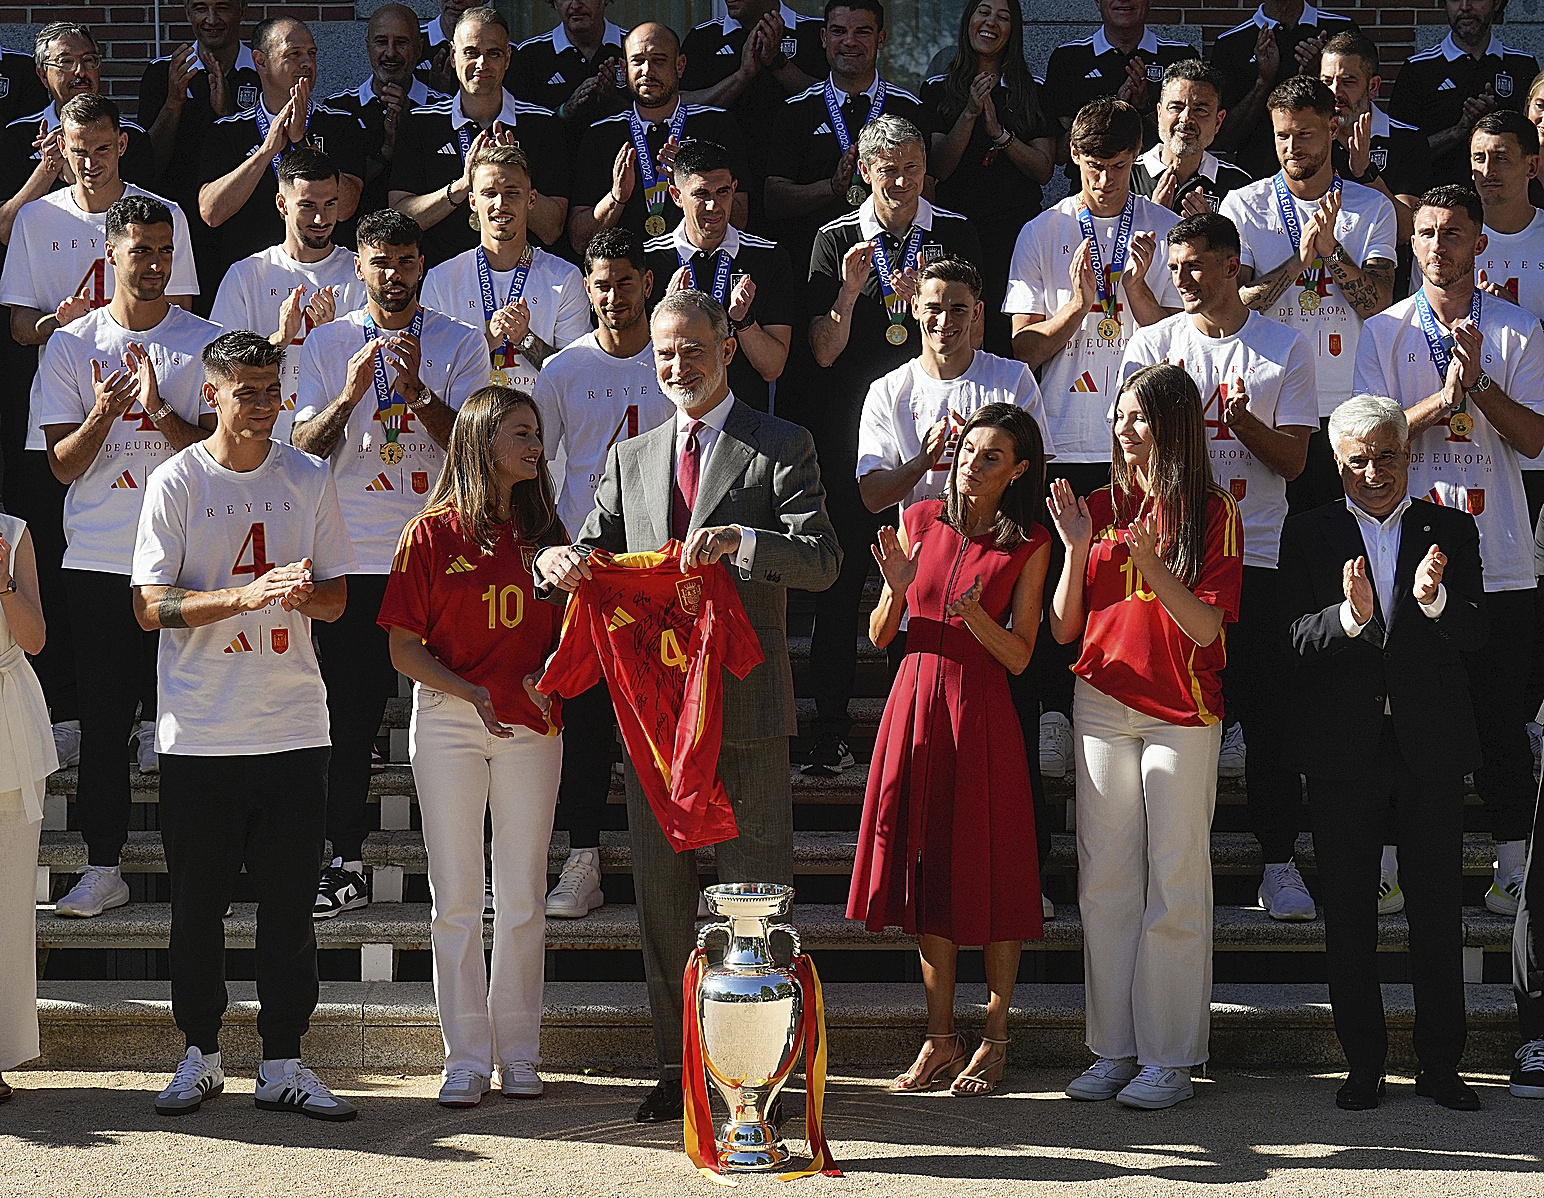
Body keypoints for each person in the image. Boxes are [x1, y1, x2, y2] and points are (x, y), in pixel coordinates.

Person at [534, 289, 840, 1123]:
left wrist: (743, 543)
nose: (677, 366)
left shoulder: (781, 444)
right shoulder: (631, 456)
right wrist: (555, 564)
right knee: (665, 904)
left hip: (740, 710)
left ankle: (762, 1073)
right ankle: (679, 1068)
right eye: (664, 354)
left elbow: (823, 562)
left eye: (692, 350)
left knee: (758, 899)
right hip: (656, 719)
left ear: (727, 347)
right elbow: (591, 548)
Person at [133, 329, 358, 1121]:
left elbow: (337, 597)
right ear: (213, 394)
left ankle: (285, 1060)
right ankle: (199, 1053)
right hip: (201, 730)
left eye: (274, 390)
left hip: (294, 724)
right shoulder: (175, 480)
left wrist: (299, 597)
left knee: (291, 907)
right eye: (248, 392)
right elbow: (148, 606)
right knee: (197, 905)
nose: (264, 407)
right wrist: (245, 596)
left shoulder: (309, 473)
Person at [1278, 393, 1486, 1112]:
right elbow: (1294, 639)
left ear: (1410, 455)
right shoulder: (1307, 533)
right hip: (1344, 752)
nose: (1374, 471)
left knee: (1435, 914)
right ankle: (1363, 1064)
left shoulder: (1451, 530)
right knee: (1350, 918)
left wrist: (1432, 603)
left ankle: (1441, 1066)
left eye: (1387, 456)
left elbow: (1475, 634)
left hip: (1429, 750)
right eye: (1358, 459)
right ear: (1338, 462)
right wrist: (1348, 618)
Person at [1049, 362, 1242, 1111]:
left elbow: (1202, 626)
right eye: (1120, 417)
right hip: (1099, 701)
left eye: (1139, 417)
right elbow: (1065, 628)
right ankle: (1114, 1049)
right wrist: (1074, 547)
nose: (1126, 431)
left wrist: (1153, 564)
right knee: (1104, 881)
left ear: (1175, 424)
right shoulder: (1095, 505)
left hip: (1182, 708)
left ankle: (1168, 1058)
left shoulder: (1212, 510)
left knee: (1176, 878)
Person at [1354, 184, 1544, 921]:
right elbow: (1369, 439)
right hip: (1409, 547)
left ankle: (1513, 869)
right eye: (1427, 234)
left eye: (1454, 233)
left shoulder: (1519, 329)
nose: (1439, 246)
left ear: (1478, 243)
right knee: (1401, 718)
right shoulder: (1385, 331)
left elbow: (1532, 440)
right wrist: (1445, 397)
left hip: (1498, 553)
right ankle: (1391, 867)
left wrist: (1481, 382)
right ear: (1413, 245)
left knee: (1500, 718)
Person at [1119, 212, 1318, 915]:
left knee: (1268, 716)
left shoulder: (1283, 346)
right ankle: (1166, 863)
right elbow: (1129, 452)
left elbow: (1295, 462)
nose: (1182, 280)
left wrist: (1242, 425)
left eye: (1197, 265)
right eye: (1174, 269)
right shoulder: (1152, 344)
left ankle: (1277, 862)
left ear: (1234, 265)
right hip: (1171, 559)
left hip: (1256, 555)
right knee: (1170, 714)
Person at [849, 402, 1049, 1097]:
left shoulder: (1029, 544)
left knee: (992, 871)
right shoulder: (919, 521)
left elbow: (1022, 656)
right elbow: (880, 635)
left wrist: (974, 619)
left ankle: (994, 1036)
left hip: (982, 711)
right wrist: (897, 594)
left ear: (1017, 470)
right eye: (968, 449)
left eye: (991, 456)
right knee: (924, 867)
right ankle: (939, 1037)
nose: (972, 462)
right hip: (914, 705)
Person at [293, 209, 489, 920]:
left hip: (440, 553)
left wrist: (420, 397)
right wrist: (349, 397)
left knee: (460, 713)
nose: (392, 276)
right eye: (379, 262)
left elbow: (478, 448)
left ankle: (473, 866)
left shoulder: (460, 343)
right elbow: (304, 447)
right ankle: (342, 860)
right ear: (359, 267)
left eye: (404, 262)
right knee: (348, 719)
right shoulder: (327, 343)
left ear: (422, 267)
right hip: (356, 553)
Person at [0, 93, 199, 776]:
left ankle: (148, 717)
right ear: (59, 145)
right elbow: (19, 323)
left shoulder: (156, 212)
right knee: (67, 563)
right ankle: (75, 713)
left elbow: (180, 310)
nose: (90, 159)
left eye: (102, 146)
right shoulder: (35, 215)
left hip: (145, 401)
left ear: (121, 145)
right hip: (62, 397)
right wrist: (63, 329)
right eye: (77, 148)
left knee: (153, 559)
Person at [378, 385, 566, 1106]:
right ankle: (465, 1056)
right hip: (452, 720)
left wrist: (553, 675)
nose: (534, 445)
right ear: (484, 439)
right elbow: (402, 649)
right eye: (520, 431)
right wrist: (471, 692)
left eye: (537, 432)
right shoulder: (428, 533)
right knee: (455, 897)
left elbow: (577, 626)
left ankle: (519, 1052)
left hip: (533, 724)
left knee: (521, 894)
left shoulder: (549, 529)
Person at [36, 194, 220, 918]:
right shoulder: (72, 344)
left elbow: (221, 455)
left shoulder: (205, 339)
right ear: (110, 253)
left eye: (164, 250)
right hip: (100, 559)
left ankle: (197, 870)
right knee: (108, 724)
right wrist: (106, 412)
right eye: (139, 250)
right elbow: (59, 465)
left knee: (187, 724)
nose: (153, 264)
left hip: (184, 560)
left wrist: (161, 410)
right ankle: (103, 864)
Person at [1003, 97, 1180, 781]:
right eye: (1090, 165)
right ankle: (1054, 708)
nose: (1103, 179)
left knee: (1136, 569)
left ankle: (1138, 694)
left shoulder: (1163, 229)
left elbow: (1182, 339)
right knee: (1060, 572)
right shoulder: (1043, 230)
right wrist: (1077, 304)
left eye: (1115, 165)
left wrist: (1136, 293)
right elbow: (1020, 345)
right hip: (1067, 433)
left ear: (1136, 158)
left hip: (1144, 436)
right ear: (1072, 158)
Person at [804, 114, 979, 775]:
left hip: (936, 429)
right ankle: (830, 728)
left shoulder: (953, 234)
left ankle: (926, 724)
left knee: (941, 579)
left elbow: (978, 336)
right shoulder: (835, 239)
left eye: (911, 167)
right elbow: (822, 352)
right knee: (843, 583)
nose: (901, 180)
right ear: (863, 171)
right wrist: (851, 291)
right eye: (887, 169)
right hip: (857, 435)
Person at [531, 227, 672, 917]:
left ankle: (677, 865)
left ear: (648, 281)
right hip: (590, 575)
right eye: (599, 285)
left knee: (669, 720)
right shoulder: (562, 371)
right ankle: (582, 858)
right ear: (585, 290)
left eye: (624, 281)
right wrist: (548, 554)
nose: (612, 296)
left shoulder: (675, 357)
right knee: (584, 723)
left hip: (666, 574)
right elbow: (538, 473)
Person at [1220, 76, 1396, 514]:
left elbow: (1379, 305)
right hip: (1271, 398)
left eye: (1305, 134)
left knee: (1341, 534)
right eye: (1282, 135)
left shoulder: (1372, 207)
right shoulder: (1243, 205)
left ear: (1333, 129)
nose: (1292, 146)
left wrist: (1331, 251)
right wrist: (1299, 261)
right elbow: (1233, 301)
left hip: (1348, 400)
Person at [920, 0, 1056, 355]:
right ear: (968, 20)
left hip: (1016, 235)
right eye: (983, 11)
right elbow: (937, 167)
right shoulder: (938, 87)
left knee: (1004, 335)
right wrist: (969, 113)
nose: (990, 22)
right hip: (957, 230)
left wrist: (1000, 134)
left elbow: (1044, 169)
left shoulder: (1035, 89)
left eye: (1003, 16)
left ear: (1014, 29)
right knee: (956, 332)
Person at [389, 6, 570, 269]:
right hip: (442, 283)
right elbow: (400, 217)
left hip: (526, 280)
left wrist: (515, 179)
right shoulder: (420, 123)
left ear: (508, 58)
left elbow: (553, 229)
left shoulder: (543, 124)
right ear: (453, 56)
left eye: (493, 53)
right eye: (471, 53)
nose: (482, 64)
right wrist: (462, 187)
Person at [210, 148, 367, 445]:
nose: (321, 218)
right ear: (282, 204)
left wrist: (330, 337)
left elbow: (376, 369)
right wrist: (278, 341)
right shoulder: (247, 275)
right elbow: (220, 372)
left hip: (342, 447)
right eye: (308, 206)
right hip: (265, 445)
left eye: (330, 204)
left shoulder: (359, 272)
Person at [197, 17, 367, 286]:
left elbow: (346, 207)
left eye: (312, 53)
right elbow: (211, 212)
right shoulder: (227, 131)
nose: (307, 63)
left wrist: (301, 144)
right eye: (294, 54)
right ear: (260, 61)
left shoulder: (340, 124)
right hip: (253, 280)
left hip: (331, 281)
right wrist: (266, 151)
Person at [763, 0, 927, 273]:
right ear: (824, 38)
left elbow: (927, 192)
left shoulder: (909, 109)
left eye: (862, 32)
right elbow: (774, 201)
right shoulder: (796, 110)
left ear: (881, 38)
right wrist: (831, 187)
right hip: (814, 264)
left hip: (895, 267)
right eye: (839, 31)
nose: (850, 42)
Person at [421, 143, 591, 397]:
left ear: (531, 199)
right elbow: (430, 375)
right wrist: (485, 342)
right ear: (472, 201)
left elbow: (577, 378)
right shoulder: (441, 279)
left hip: (541, 430)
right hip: (470, 429)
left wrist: (526, 339)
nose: (501, 204)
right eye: (489, 193)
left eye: (512, 193)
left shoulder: (564, 278)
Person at [642, 138, 797, 413]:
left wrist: (743, 321)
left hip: (743, 426)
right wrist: (667, 318)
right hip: (666, 421)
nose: (714, 206)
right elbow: (633, 361)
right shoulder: (648, 260)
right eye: (701, 194)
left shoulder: (768, 257)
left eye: (723, 192)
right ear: (677, 196)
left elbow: (772, 367)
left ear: (734, 189)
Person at [567, 23, 748, 256]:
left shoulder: (716, 126)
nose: (647, 71)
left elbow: (741, 219)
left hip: (698, 274)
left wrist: (689, 182)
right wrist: (616, 198)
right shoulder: (601, 134)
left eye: (659, 60)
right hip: (626, 280)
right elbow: (580, 241)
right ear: (624, 67)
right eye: (637, 61)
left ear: (680, 65)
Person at [137, 0, 261, 309]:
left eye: (222, 8)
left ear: (242, 10)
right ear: (187, 12)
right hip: (179, 231)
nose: (211, 19)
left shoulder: (263, 69)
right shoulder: (162, 72)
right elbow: (147, 162)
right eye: (200, 8)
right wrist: (174, 101)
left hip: (245, 228)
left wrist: (227, 116)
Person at [0, 511, 56, 1104]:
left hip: (8, 721)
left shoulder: (12, 533)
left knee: (7, 903)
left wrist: (3, 583)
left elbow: (36, 639)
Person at [0, 23, 156, 221]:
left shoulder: (130, 136)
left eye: (89, 61)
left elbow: (140, 222)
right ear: (42, 74)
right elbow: (5, 230)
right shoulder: (17, 135)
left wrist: (73, 169)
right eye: (66, 62)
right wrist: (47, 170)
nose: (80, 72)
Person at [680, 0, 825, 197]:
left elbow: (832, 99)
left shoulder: (814, 32)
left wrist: (777, 63)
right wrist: (742, 76)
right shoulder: (704, 37)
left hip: (799, 182)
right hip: (724, 186)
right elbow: (681, 104)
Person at [1390, 0, 1538, 188]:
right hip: (1440, 205)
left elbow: (1534, 145)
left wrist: (1497, 120)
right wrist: (1457, 131)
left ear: (1497, 3)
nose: (1465, 7)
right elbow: (1399, 155)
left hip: (1507, 206)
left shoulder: (1522, 65)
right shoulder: (1418, 69)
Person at [1209, 1, 1357, 180]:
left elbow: (1355, 112)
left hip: (1333, 177)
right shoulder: (1232, 43)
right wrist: (1263, 82)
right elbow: (1226, 140)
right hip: (1258, 182)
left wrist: (1321, 74)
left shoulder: (1341, 30)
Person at [1041, 0, 1194, 170]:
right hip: (1093, 188)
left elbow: (1192, 141)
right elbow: (1060, 154)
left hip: (1161, 184)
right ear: (1098, 2)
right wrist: (1113, 109)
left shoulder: (1181, 57)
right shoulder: (1068, 59)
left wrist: (1145, 108)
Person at [326, 5, 447, 219]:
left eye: (401, 43)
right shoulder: (338, 109)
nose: (390, 53)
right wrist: (386, 152)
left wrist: (410, 122)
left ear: (418, 49)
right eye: (381, 42)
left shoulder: (445, 109)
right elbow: (333, 191)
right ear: (368, 47)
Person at [1320, 31, 1427, 252]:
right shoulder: (1307, 137)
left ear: (1373, 87)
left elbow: (1407, 230)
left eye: (1348, 82)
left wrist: (1366, 174)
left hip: (1383, 272)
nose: (1335, 92)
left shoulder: (1406, 140)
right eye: (1327, 82)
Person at [1129, 60, 1252, 218]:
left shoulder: (1239, 185)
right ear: (1159, 113)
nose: (1186, 118)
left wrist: (1212, 232)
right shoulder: (1126, 175)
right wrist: (1151, 218)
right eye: (1176, 107)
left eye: (1200, 110)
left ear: (1218, 121)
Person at [507, 0, 627, 127]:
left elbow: (649, 118)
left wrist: (615, 102)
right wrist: (564, 110)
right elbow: (520, 127)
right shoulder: (528, 54)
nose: (575, 5)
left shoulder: (635, 49)